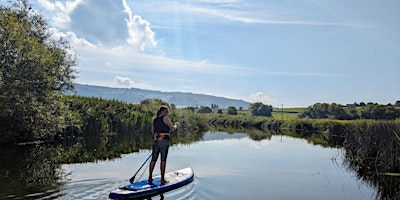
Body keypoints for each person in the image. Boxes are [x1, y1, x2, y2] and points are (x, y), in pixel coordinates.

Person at [148, 105, 179, 184]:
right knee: (163, 159)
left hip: (155, 140)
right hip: (164, 141)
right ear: (162, 111)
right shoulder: (165, 118)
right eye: (166, 111)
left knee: (153, 159)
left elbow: (152, 130)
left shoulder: (155, 119)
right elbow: (172, 128)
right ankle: (162, 179)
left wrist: (156, 136)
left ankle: (150, 177)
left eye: (167, 111)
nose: (167, 113)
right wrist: (176, 125)